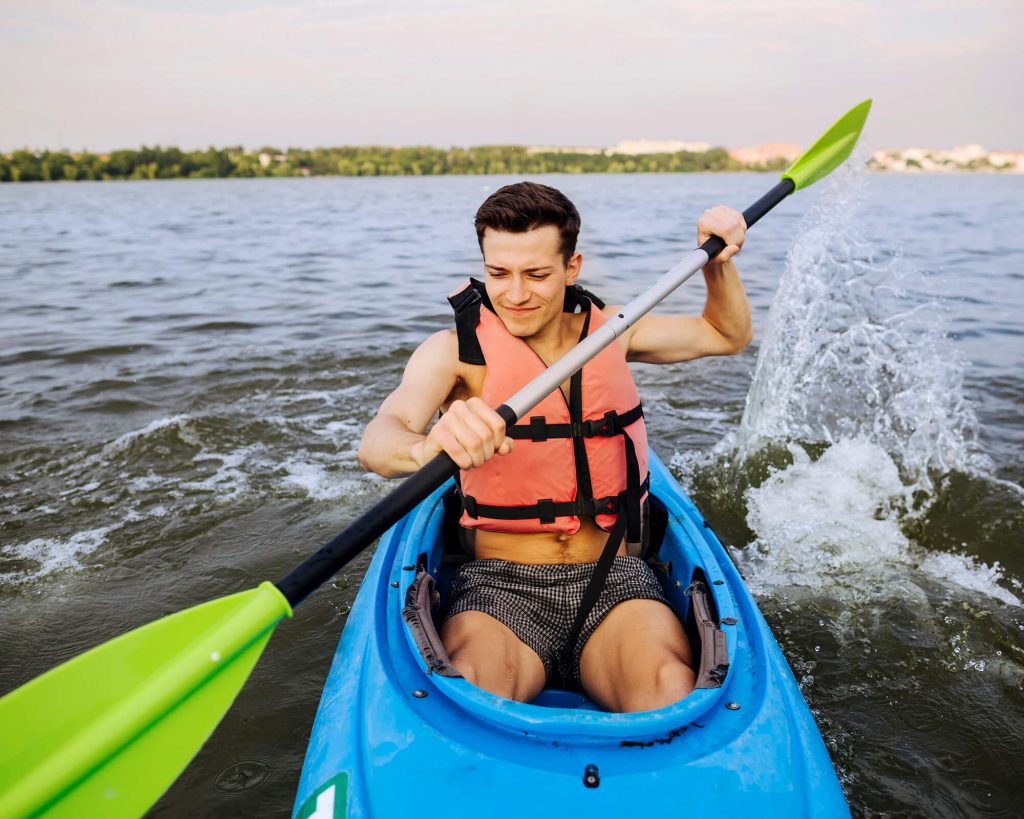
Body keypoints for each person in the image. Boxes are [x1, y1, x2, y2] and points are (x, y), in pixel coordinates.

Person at [359, 181, 750, 713]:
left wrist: (717, 263)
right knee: (470, 692)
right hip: (500, 589)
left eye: (537, 274)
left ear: (572, 268)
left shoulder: (612, 330)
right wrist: (427, 449)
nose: (516, 294)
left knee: (669, 692)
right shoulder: (455, 351)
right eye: (499, 273)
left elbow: (724, 335)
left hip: (617, 579)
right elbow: (380, 439)